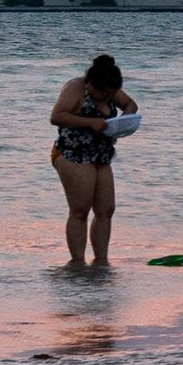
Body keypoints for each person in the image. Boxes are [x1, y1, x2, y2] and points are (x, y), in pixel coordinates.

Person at [47, 54, 138, 268]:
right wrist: (89, 122)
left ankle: (101, 262)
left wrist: (122, 122)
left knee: (106, 209)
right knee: (80, 210)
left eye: (110, 95)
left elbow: (131, 104)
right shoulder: (75, 88)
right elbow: (56, 116)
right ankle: (77, 263)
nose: (107, 98)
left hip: (101, 155)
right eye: (102, 94)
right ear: (91, 84)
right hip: (73, 153)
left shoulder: (109, 89)